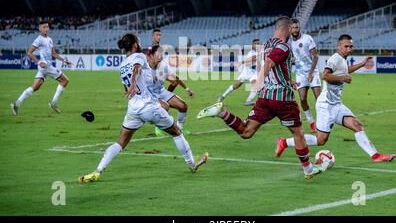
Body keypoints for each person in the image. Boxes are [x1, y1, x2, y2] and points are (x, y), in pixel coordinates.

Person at [198, 17, 329, 180]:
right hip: (282, 99)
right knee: (298, 133)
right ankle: (309, 169)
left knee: (246, 132)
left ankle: (221, 113)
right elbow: (268, 64)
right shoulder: (284, 46)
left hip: (265, 98)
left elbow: (271, 65)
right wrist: (259, 81)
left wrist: (287, 80)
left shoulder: (267, 45)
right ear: (287, 29)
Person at [79, 33, 207, 183]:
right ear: (134, 45)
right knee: (176, 132)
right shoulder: (139, 56)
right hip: (149, 107)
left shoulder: (122, 65)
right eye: (138, 41)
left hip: (133, 109)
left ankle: (98, 171)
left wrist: (132, 87)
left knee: (120, 142)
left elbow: (126, 87)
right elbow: (137, 69)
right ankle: (192, 164)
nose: (140, 43)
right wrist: (134, 83)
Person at [275, 34, 396, 163]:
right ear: (338, 46)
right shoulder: (335, 58)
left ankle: (375, 156)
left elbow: (345, 70)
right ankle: (285, 142)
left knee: (357, 125)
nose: (349, 49)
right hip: (326, 105)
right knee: (321, 140)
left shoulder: (342, 60)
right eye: (346, 46)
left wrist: (362, 64)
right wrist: (343, 78)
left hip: (336, 105)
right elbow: (325, 76)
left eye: (351, 46)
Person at [10, 21, 72, 115]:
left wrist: (64, 60)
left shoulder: (50, 39)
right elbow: (29, 52)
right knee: (65, 81)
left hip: (44, 68)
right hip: (46, 67)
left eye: (47, 27)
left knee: (34, 87)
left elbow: (53, 53)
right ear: (40, 29)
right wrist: (39, 62)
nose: (46, 29)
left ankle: (16, 104)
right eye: (44, 27)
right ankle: (53, 103)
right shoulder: (38, 39)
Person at [147, 45, 194, 136]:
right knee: (164, 107)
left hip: (161, 91)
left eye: (161, 54)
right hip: (149, 94)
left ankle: (180, 128)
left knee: (183, 106)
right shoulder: (144, 68)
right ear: (151, 56)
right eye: (157, 54)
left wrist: (186, 89)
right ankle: (159, 128)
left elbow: (175, 79)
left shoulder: (164, 66)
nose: (160, 56)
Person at [289, 18, 320, 133]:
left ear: (299, 28)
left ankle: (321, 121)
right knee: (302, 99)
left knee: (319, 98)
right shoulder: (289, 42)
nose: (295, 29)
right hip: (300, 74)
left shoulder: (308, 38)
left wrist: (311, 73)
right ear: (290, 29)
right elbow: (292, 59)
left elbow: (315, 56)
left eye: (296, 27)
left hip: (312, 72)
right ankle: (311, 121)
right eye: (292, 28)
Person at [218, 39, 261, 106]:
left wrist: (241, 62)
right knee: (236, 85)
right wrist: (242, 62)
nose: (257, 45)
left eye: (258, 43)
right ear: (252, 45)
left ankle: (248, 101)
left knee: (255, 84)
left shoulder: (260, 52)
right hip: (246, 72)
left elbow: (255, 58)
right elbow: (253, 58)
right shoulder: (251, 52)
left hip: (253, 72)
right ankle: (222, 96)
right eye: (255, 43)